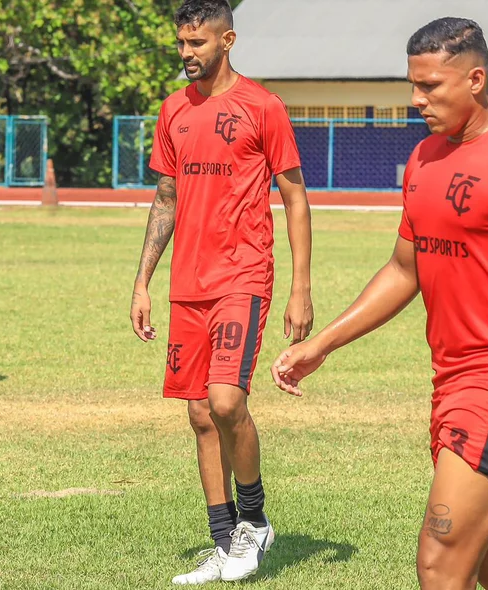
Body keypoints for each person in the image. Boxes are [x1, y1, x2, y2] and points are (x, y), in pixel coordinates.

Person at [271, 17, 488, 590]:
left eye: (431, 86)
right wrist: (321, 345)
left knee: (439, 559)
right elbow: (404, 269)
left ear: (476, 79)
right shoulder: (424, 160)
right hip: (453, 383)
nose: (417, 100)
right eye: (413, 85)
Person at [129, 0, 313, 584]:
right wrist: (142, 282)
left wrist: (300, 286)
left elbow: (295, 195)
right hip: (188, 285)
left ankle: (254, 523)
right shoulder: (172, 111)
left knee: (227, 402)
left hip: (244, 275)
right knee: (200, 416)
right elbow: (166, 199)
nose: (187, 54)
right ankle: (221, 541)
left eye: (197, 43)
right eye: (181, 44)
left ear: (227, 40)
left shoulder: (263, 107)